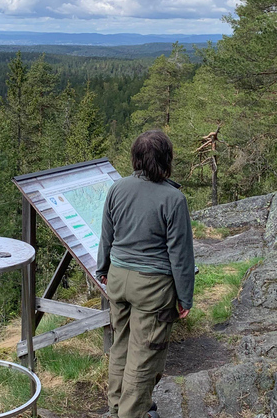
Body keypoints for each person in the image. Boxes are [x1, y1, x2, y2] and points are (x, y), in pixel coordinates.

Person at [96, 130, 195, 418]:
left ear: (136, 158)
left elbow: (107, 235)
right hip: (153, 287)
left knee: (121, 346)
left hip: (118, 278)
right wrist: (185, 297)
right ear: (167, 159)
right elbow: (180, 253)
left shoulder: (117, 188)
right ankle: (132, 414)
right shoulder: (173, 198)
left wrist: (103, 268)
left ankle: (116, 409)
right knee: (145, 355)